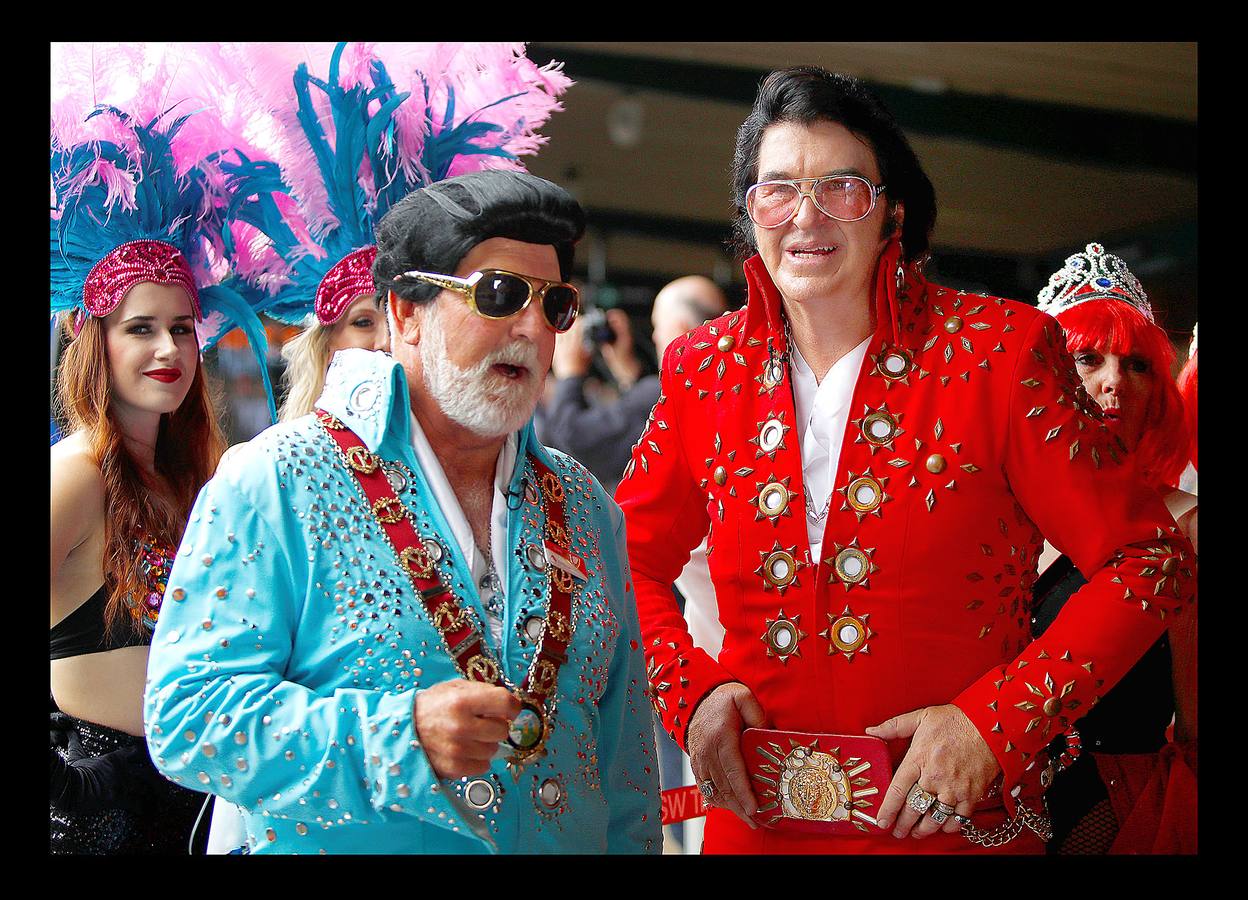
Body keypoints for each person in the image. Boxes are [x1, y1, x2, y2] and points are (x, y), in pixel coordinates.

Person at [613, 66, 1195, 854]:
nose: (805, 215)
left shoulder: (1000, 350)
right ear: (751, 216)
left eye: (841, 187)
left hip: (953, 823)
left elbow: (1147, 562)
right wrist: (691, 692)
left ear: (892, 210)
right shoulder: (703, 367)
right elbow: (620, 559)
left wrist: (995, 725)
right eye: (776, 189)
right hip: (754, 827)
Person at [144, 169, 661, 854]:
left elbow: (625, 772)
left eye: (555, 304)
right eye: (500, 294)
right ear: (406, 313)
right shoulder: (278, 479)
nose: (535, 328)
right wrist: (397, 737)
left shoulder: (586, 506)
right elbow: (189, 717)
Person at [50, 91, 240, 852]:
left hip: (195, 804)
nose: (168, 350)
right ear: (92, 338)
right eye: (141, 329)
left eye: (183, 329)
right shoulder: (76, 473)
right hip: (94, 807)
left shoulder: (199, 477)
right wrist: (71, 788)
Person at [1031, 243, 1197, 853]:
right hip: (990, 808)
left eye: (1137, 366)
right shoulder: (1001, 517)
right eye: (1087, 359)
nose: (1112, 382)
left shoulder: (1184, 525)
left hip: (1123, 815)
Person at [544, 275, 727, 491]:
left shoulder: (673, 392)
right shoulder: (724, 384)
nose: (656, 337)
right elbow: (648, 420)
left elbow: (576, 439)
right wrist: (628, 371)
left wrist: (569, 373)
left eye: (657, 325)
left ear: (681, 329)